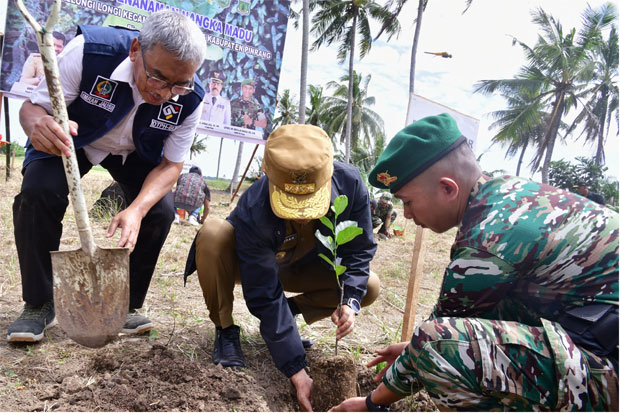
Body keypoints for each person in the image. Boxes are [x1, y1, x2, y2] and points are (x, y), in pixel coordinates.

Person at [330, 113, 618, 411]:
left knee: (437, 346)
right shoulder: (506, 196)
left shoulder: (491, 237)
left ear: (447, 188)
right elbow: (457, 325)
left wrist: (370, 403)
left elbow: (435, 341)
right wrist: (411, 350)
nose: (406, 215)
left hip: (607, 367)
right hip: (595, 343)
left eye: (408, 201)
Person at [7, 10, 207, 343]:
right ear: (134, 51)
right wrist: (37, 125)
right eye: (158, 78)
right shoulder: (88, 52)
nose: (166, 93)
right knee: (39, 191)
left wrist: (137, 210)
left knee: (159, 212)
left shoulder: (191, 98)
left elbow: (171, 165)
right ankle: (38, 304)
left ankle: (125, 306)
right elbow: (32, 108)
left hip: (136, 153)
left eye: (179, 84)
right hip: (74, 139)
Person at [184, 124, 380, 411]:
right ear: (271, 178)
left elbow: (359, 251)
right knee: (213, 234)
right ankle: (225, 330)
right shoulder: (255, 204)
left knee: (368, 286)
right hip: (253, 266)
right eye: (291, 205)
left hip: (307, 266)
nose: (301, 217)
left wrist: (349, 302)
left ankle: (288, 316)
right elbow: (263, 290)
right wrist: (297, 371)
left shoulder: (350, 185)